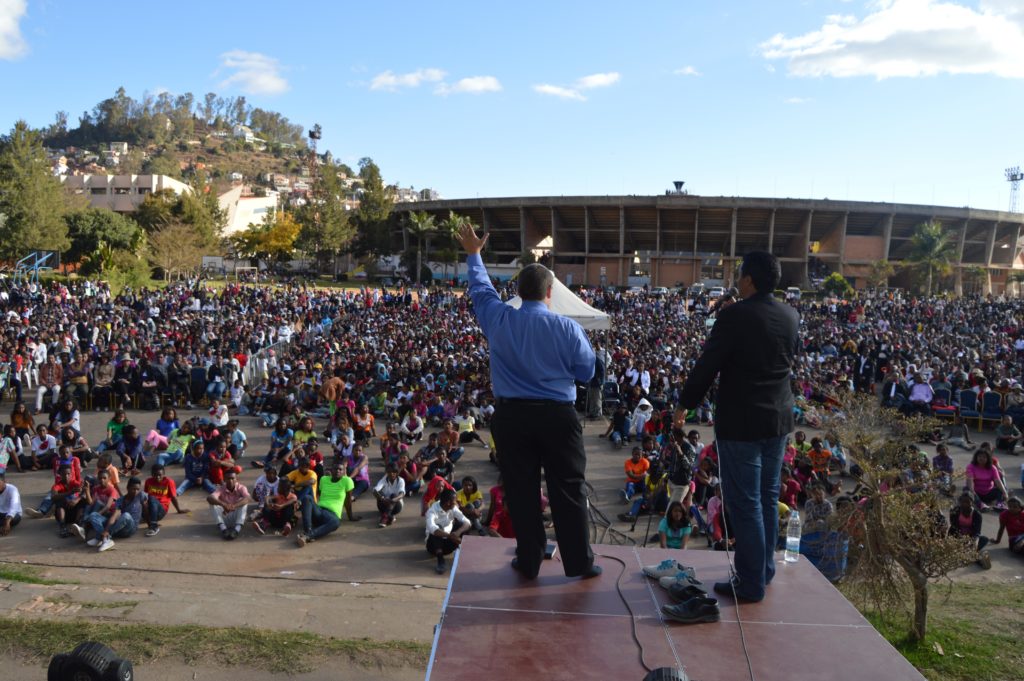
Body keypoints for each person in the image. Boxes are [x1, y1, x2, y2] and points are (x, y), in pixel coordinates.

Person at [458, 222, 600, 581]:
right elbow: (586, 372)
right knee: (568, 490)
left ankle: (530, 559)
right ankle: (579, 563)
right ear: (550, 292)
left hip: (513, 418)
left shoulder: (500, 318)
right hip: (557, 418)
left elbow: (480, 289)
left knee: (521, 491)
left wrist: (475, 254)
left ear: (518, 292)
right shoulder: (567, 328)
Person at [679, 251, 799, 603]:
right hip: (777, 419)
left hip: (742, 422)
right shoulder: (790, 315)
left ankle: (750, 584)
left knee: (746, 504)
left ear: (749, 279)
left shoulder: (734, 315)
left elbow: (708, 365)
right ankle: (763, 572)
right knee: (766, 497)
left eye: (740, 274)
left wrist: (684, 405)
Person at [295, 459, 359, 547]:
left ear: (344, 471)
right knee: (307, 498)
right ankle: (308, 530)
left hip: (331, 514)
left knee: (336, 522)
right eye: (335, 469)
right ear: (331, 470)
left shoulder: (347, 481)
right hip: (319, 510)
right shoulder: (324, 479)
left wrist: (350, 516)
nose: (338, 471)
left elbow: (347, 501)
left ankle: (308, 536)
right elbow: (320, 495)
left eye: (340, 469)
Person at [425, 488, 471, 574]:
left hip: (449, 542)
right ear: (448, 503)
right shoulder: (431, 511)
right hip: (434, 547)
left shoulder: (453, 508)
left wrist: (457, 533)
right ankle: (440, 560)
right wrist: (451, 536)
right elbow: (432, 529)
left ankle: (461, 551)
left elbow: (467, 522)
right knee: (437, 529)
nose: (456, 502)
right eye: (455, 501)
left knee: (461, 525)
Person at [143, 464, 188, 536]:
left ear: (163, 474)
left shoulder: (169, 482)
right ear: (152, 474)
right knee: (142, 498)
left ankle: (154, 527)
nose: (158, 477)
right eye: (155, 475)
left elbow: (173, 497)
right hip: (149, 510)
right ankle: (149, 521)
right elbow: (145, 497)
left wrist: (178, 510)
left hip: (161, 510)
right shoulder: (148, 481)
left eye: (160, 475)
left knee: (152, 498)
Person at [207, 469, 252, 540]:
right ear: (224, 479)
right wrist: (224, 505)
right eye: (228, 478)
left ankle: (237, 530)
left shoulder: (242, 488)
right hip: (225, 516)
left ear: (236, 479)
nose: (230, 481)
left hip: (236, 517)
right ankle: (224, 529)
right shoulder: (221, 488)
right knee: (213, 503)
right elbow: (210, 498)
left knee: (243, 501)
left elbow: (248, 498)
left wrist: (234, 506)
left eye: (232, 478)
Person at [373, 463, 406, 527]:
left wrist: (392, 500)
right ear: (387, 472)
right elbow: (375, 490)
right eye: (389, 472)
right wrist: (382, 498)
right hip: (384, 504)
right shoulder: (383, 479)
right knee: (379, 493)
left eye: (394, 472)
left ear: (397, 473)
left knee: (394, 495)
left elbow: (402, 494)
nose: (392, 474)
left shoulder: (401, 480)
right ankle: (390, 517)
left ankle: (385, 517)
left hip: (397, 506)